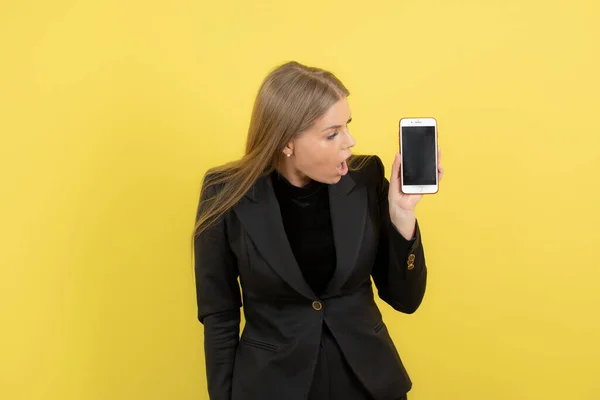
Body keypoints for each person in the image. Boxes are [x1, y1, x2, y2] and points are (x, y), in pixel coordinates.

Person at [193, 61, 443, 400]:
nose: (350, 142)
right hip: (272, 386)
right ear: (286, 143)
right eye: (332, 133)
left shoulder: (367, 178)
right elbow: (219, 316)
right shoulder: (224, 194)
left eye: (347, 126)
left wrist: (401, 214)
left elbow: (406, 299)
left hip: (368, 384)